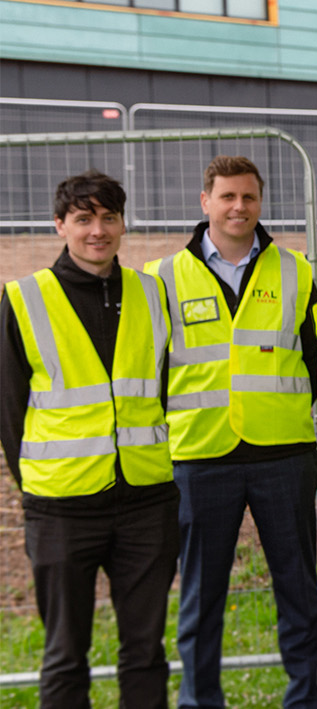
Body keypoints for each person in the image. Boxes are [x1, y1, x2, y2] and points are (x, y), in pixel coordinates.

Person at [148, 155, 317, 708]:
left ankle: (305, 696)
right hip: (200, 456)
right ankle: (199, 700)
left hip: (283, 455)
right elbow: (152, 368)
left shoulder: (295, 271)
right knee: (201, 594)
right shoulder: (162, 277)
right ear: (206, 201)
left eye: (248, 197)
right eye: (227, 196)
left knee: (297, 587)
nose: (238, 207)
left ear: (260, 202)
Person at [0, 171, 178, 708]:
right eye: (83, 219)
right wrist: (37, 485)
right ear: (60, 225)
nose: (97, 230)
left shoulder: (152, 293)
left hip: (146, 501)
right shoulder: (24, 299)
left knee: (145, 652)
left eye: (108, 217)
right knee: (64, 655)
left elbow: (164, 387)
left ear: (123, 224)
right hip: (61, 507)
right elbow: (8, 409)